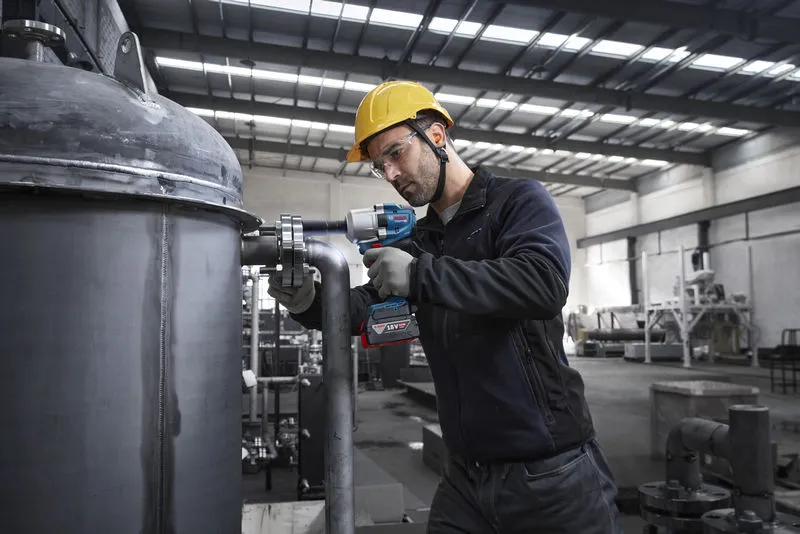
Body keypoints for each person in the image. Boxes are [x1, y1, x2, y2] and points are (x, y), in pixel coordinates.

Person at [268, 80, 623, 534]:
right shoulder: (420, 240)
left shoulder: (517, 203)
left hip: (550, 474)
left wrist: (420, 276)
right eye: (379, 166)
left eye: (395, 153)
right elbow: (358, 308)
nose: (391, 174)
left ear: (436, 135)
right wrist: (309, 301)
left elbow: (543, 283)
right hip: (465, 478)